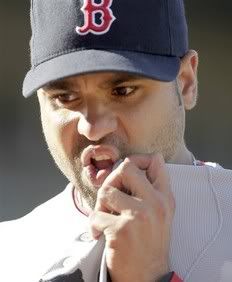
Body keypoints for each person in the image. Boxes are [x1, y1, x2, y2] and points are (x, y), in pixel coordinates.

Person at [0, 0, 232, 281]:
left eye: (123, 91)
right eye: (65, 97)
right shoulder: (9, 253)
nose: (92, 128)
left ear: (185, 83)